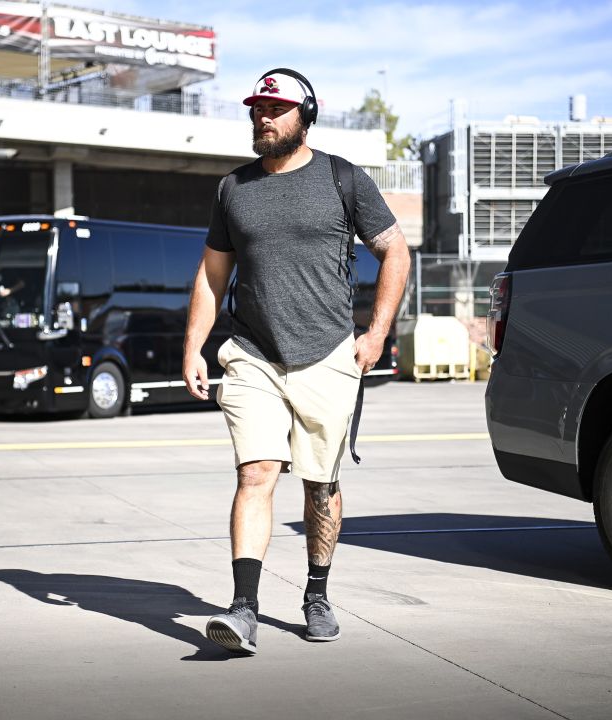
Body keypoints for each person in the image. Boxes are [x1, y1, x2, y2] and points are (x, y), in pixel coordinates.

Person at [181, 68, 411, 654]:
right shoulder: (233, 188)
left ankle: (316, 593)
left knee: (320, 486)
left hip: (328, 354)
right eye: (257, 107)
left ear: (305, 116)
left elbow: (394, 253)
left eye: (275, 109)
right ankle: (243, 609)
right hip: (254, 353)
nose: (262, 116)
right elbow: (213, 274)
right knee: (255, 473)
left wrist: (377, 332)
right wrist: (194, 346)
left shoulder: (342, 179)